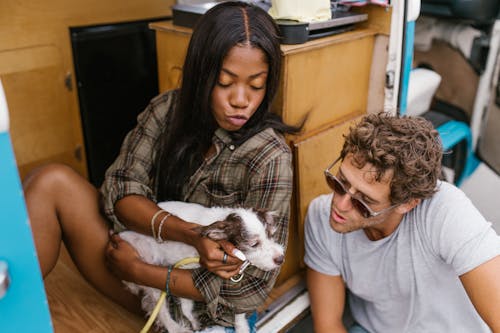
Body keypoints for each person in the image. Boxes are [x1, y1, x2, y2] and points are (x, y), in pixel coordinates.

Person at [24, 2, 301, 331]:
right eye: (225, 82)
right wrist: (190, 234)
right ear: (200, 75)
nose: (240, 99)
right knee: (49, 181)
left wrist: (140, 272)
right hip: (134, 259)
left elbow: (248, 291)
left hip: (201, 308)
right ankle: (9, 300)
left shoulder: (270, 157)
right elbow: (120, 188)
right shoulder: (167, 109)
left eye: (256, 86)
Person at [304, 113, 500, 333]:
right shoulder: (321, 216)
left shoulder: (445, 210)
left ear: (407, 204)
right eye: (339, 182)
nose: (340, 205)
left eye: (364, 202)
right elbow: (328, 325)